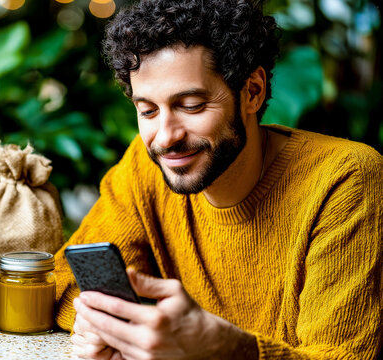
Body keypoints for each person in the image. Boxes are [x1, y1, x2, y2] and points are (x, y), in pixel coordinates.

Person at [52, 0, 383, 359]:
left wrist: (222, 348)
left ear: (252, 91)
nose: (165, 137)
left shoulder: (345, 179)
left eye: (191, 105)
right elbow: (66, 284)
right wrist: (109, 325)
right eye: (147, 110)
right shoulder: (147, 165)